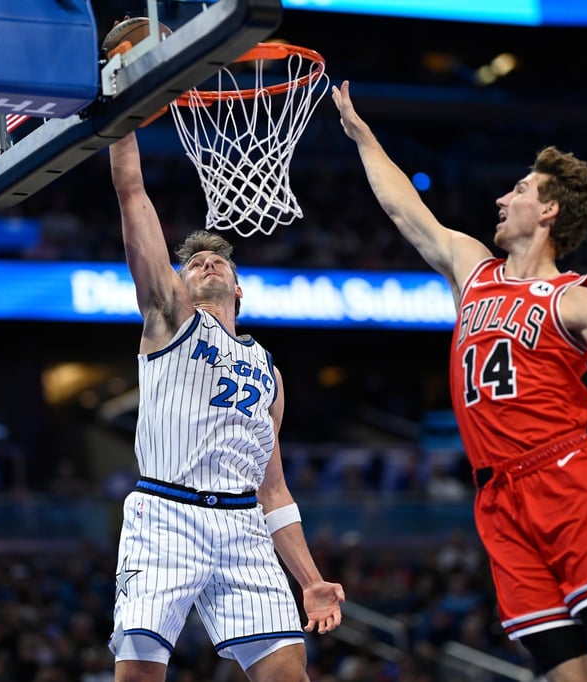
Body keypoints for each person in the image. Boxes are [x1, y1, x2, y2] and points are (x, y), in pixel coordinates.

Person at [332, 80, 587, 682]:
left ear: (549, 210)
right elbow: (405, 209)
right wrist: (362, 136)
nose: (503, 198)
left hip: (568, 481)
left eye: (520, 189)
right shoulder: (473, 271)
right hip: (497, 498)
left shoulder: (575, 298)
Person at [106, 130, 345, 682]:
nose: (208, 264)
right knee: (139, 673)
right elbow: (132, 193)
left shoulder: (269, 371)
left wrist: (310, 579)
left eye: (218, 261)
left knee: (288, 673)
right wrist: (123, 117)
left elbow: (273, 490)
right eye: (195, 263)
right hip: (166, 512)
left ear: (239, 289)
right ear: (179, 283)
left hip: (242, 524)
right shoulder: (170, 318)